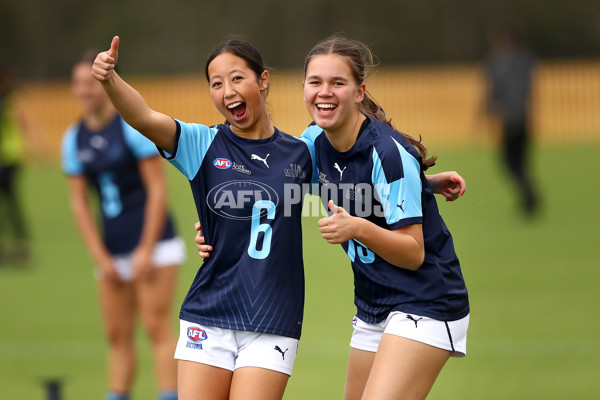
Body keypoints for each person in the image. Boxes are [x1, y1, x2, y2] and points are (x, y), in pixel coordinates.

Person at [300, 36, 470, 400]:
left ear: (359, 92)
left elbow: (413, 252)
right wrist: (217, 228)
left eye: (337, 83)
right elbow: (277, 192)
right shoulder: (313, 141)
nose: (324, 92)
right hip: (373, 303)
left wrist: (357, 227)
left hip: (426, 300)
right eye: (315, 82)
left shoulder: (388, 153)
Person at [62, 52, 184, 400]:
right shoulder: (74, 139)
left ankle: (169, 394)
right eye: (78, 84)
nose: (84, 90)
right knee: (116, 333)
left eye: (91, 83)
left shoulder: (131, 129)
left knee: (156, 327)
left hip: (154, 245)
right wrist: (99, 255)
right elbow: (79, 204)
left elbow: (157, 188)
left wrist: (146, 249)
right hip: (112, 250)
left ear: (105, 84)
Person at [485, 27, 539, 215]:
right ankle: (529, 199)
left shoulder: (499, 63)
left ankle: (530, 198)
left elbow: (496, 91)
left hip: (512, 119)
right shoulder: (524, 60)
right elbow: (529, 89)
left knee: (510, 163)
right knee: (519, 163)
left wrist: (489, 112)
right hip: (522, 117)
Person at [0, 65, 31, 264]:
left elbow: (21, 123)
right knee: (10, 203)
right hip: (10, 157)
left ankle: (20, 244)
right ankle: (18, 244)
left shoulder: (7, 101)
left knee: (11, 202)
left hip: (8, 159)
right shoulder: (9, 100)